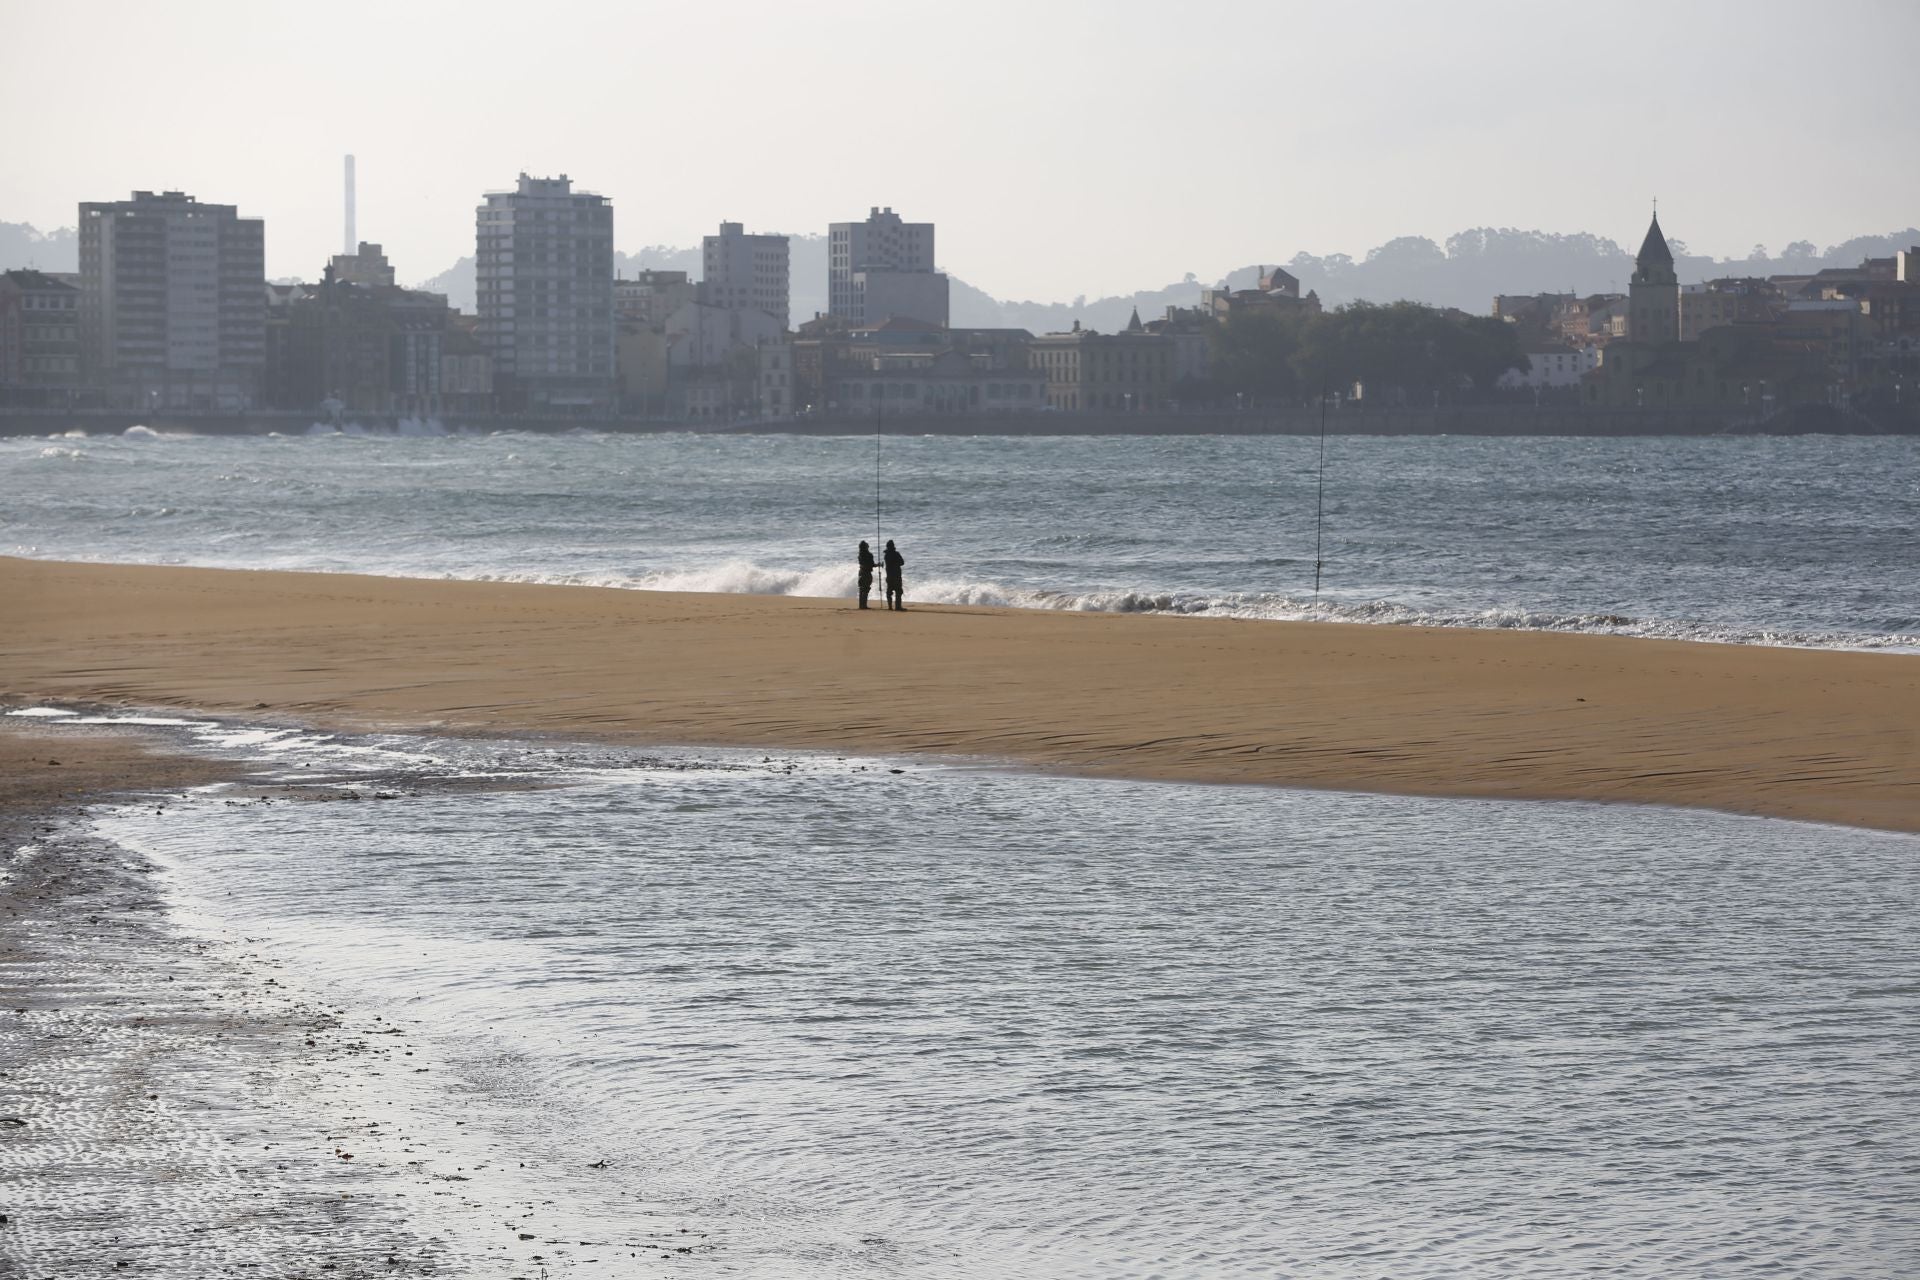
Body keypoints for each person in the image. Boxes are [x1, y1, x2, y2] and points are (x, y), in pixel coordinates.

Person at [883, 539, 905, 611]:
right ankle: (898, 607)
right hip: (896, 576)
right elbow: (902, 563)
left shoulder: (886, 555)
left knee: (889, 591)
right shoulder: (896, 554)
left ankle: (890, 606)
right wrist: (896, 563)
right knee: (898, 591)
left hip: (889, 575)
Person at [856, 540, 875, 610]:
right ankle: (864, 605)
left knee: (861, 589)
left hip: (861, 572)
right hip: (867, 573)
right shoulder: (869, 555)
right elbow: (872, 564)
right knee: (866, 589)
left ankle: (861, 605)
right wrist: (877, 565)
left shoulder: (860, 555)